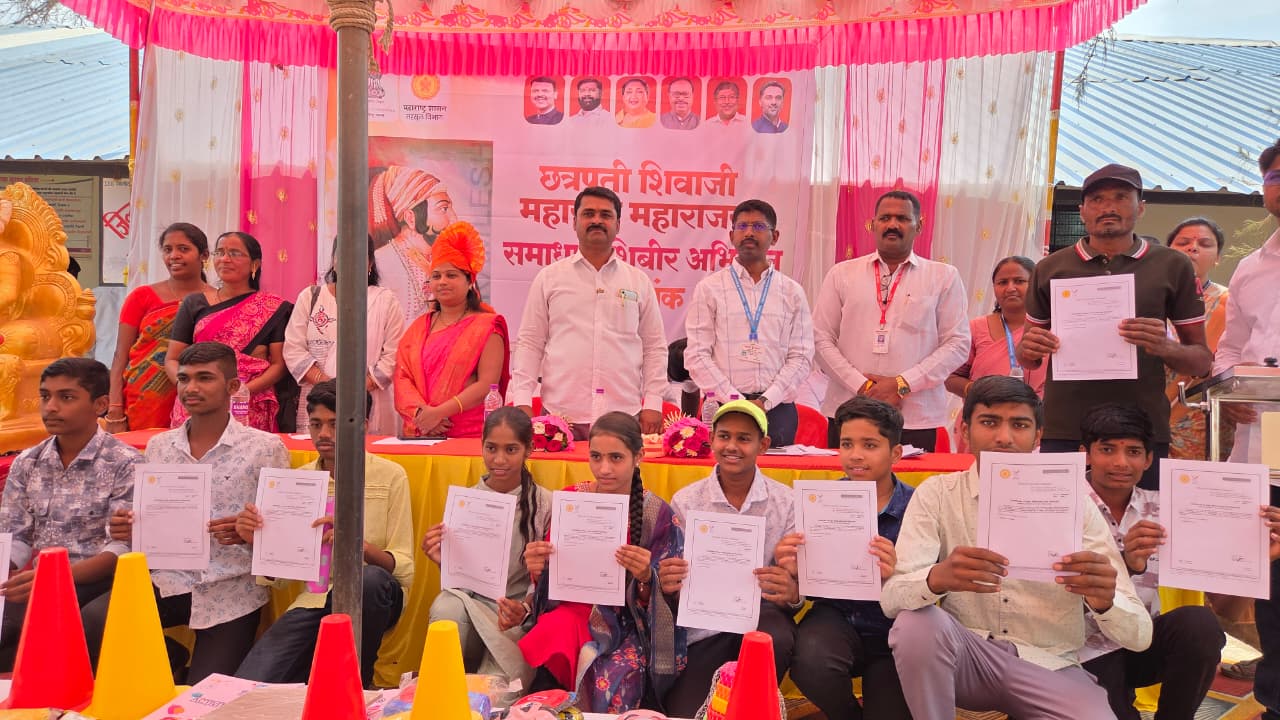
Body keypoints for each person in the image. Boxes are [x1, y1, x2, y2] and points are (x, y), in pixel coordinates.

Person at [881, 375, 1152, 720]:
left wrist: (1105, 600)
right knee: (915, 624)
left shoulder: (1075, 504)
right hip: (969, 658)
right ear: (964, 431)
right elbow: (892, 600)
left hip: (1048, 665)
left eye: (1020, 425)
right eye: (989, 422)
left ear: (1037, 437)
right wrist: (936, 578)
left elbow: (1140, 636)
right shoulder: (937, 494)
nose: (1004, 438)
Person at [84, 341, 291, 683]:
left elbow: (284, 539)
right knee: (91, 623)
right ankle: (169, 658)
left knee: (206, 693)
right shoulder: (159, 446)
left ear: (233, 386)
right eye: (184, 378)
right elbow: (147, 521)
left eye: (204, 378)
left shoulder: (265, 448)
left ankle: (184, 675)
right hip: (166, 582)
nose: (191, 388)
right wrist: (129, 527)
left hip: (229, 590)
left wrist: (251, 534)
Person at [1017, 163, 1211, 490]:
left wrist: (1165, 347)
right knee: (1062, 518)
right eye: (1097, 199)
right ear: (1082, 211)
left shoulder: (1172, 265)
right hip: (1066, 427)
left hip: (1141, 429)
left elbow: (1202, 361)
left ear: (1141, 207)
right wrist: (1030, 347)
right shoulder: (1050, 268)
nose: (1108, 207)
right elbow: (1027, 356)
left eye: (1121, 197)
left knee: (1143, 518)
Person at [234, 380, 414, 688]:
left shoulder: (390, 476)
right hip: (314, 601)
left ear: (362, 426)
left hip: (375, 597)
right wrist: (257, 542)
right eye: (316, 424)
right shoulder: (298, 482)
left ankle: (357, 683)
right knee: (251, 686)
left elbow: (403, 568)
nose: (325, 434)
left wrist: (357, 546)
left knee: (368, 580)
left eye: (335, 424)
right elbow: (279, 578)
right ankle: (315, 679)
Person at [518, 412, 685, 713]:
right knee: (552, 638)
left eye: (616, 458)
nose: (604, 469)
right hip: (571, 612)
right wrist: (538, 566)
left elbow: (668, 596)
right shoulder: (572, 500)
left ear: (638, 457)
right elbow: (548, 581)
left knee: (620, 673)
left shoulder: (656, 514)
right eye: (596, 457)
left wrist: (647, 577)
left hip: (628, 624)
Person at [1075, 403, 1224, 720]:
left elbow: (1226, 607)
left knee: (1199, 625)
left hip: (1141, 642)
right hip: (1078, 650)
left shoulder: (1169, 510)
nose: (1120, 462)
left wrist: (1254, 557)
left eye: (1133, 451)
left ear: (1148, 459)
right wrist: (1127, 564)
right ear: (1085, 454)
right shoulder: (1059, 505)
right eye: (1107, 449)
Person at [659, 400, 798, 716]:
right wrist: (669, 582)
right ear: (711, 439)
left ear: (763, 445)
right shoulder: (687, 501)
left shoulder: (786, 502)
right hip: (704, 625)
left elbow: (793, 587)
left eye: (744, 438)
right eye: (724, 436)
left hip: (761, 617)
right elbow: (671, 579)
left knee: (773, 639)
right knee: (689, 712)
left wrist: (791, 590)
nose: (732, 446)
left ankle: (757, 708)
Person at [0, 358, 140, 670]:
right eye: (45, 396)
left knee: (54, 625)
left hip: (103, 581)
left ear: (100, 405)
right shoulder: (28, 462)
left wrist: (54, 577)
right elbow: (14, 538)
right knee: (7, 626)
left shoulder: (126, 463)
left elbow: (120, 550)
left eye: (66, 397)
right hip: (42, 581)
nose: (51, 407)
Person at [778, 396, 912, 720]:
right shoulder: (820, 502)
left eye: (870, 445)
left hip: (894, 628)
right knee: (811, 661)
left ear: (896, 453)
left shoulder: (917, 507)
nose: (855, 455)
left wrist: (899, 574)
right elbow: (802, 591)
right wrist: (796, 572)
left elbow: (935, 584)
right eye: (846, 444)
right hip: (835, 617)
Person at [812, 190, 970, 451]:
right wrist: (863, 387)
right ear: (873, 225)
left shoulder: (943, 277)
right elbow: (819, 338)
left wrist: (902, 385)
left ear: (918, 226)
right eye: (885, 218)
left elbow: (957, 344)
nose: (893, 225)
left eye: (902, 218)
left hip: (916, 417)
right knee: (847, 478)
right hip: (849, 410)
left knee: (912, 480)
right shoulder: (842, 274)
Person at [511, 187, 667, 437]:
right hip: (560, 415)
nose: (597, 220)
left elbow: (654, 347)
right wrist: (522, 399)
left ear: (618, 225)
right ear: (574, 222)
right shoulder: (550, 278)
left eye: (606, 215)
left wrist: (654, 401)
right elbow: (530, 342)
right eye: (588, 214)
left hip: (623, 414)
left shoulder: (638, 281)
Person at [1215, 138, 1280, 720]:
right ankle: (1273, 702)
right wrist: (1229, 391)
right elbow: (1230, 349)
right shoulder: (1251, 268)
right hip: (1266, 444)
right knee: (1274, 581)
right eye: (1276, 175)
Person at [422, 406, 552, 685]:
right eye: (491, 448)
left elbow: (549, 582)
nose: (499, 459)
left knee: (494, 692)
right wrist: (443, 561)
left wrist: (525, 608)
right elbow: (460, 582)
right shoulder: (465, 502)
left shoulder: (544, 504)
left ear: (529, 450)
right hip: (470, 608)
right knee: (447, 607)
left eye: (511, 450)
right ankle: (440, 687)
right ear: (481, 446)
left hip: (516, 618)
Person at [684, 199, 813, 447]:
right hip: (723, 406)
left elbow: (802, 356)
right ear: (731, 235)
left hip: (776, 410)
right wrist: (736, 401)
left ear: (775, 237)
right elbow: (697, 355)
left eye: (759, 227)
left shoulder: (792, 292)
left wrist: (765, 401)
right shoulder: (709, 288)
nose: (749, 233)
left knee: (776, 472)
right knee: (722, 469)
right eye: (742, 226)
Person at [165, 231, 292, 432]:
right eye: (220, 252)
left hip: (247, 403)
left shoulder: (273, 308)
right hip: (196, 400)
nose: (225, 259)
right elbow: (172, 359)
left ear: (255, 264)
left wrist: (239, 392)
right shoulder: (194, 303)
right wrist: (188, 386)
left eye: (234, 253)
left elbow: (279, 365)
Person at [394, 221, 509, 438]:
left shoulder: (487, 326)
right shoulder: (418, 328)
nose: (442, 282)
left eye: (451, 275)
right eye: (436, 276)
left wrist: (438, 413)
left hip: (468, 435)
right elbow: (402, 377)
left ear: (469, 281)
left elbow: (487, 385)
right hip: (422, 432)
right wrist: (421, 414)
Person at [284, 236, 405, 435]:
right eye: (343, 255)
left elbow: (394, 355)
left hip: (370, 400)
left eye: (358, 256)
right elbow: (293, 349)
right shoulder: (310, 297)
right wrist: (329, 386)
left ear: (370, 263)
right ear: (334, 261)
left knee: (368, 453)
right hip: (317, 400)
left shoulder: (386, 301)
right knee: (320, 451)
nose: (350, 261)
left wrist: (357, 390)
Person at [106, 222, 213, 432]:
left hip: (199, 397)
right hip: (146, 400)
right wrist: (115, 407)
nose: (174, 256)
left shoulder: (217, 300)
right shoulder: (141, 297)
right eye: (167, 249)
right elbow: (120, 355)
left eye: (183, 249)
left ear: (204, 255)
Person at [945, 256, 1045, 452]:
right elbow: (950, 377)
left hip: (1034, 424)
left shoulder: (1050, 328)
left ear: (1034, 285)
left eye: (1019, 281)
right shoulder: (975, 328)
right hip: (984, 423)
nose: (1010, 288)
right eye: (1002, 282)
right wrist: (979, 390)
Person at [1164, 217, 1231, 460]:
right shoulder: (1147, 297)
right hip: (1142, 418)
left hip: (1200, 421)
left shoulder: (1230, 303)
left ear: (1217, 257)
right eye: (1183, 242)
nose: (1193, 248)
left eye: (1204, 244)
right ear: (1167, 252)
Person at [368, 165, 460, 320]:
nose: (454, 219)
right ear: (411, 218)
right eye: (443, 209)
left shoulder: (443, 259)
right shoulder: (382, 262)